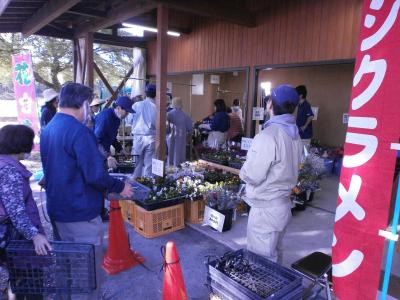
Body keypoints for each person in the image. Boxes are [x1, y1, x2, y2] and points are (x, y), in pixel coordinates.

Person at [40, 83, 133, 300]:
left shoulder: (49, 128)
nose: (89, 111)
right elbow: (95, 175)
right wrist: (121, 187)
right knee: (87, 274)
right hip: (79, 212)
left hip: (57, 209)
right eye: (88, 106)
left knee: (65, 268)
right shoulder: (79, 132)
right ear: (83, 104)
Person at [240, 84, 302, 263]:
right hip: (282, 206)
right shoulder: (294, 134)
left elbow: (253, 175)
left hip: (265, 211)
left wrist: (243, 171)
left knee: (261, 263)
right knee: (275, 255)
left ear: (270, 105)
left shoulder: (268, 135)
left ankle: (264, 292)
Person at [0, 125, 51, 300]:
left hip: (7, 236)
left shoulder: (3, 163)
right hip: (12, 236)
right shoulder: (8, 170)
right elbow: (16, 210)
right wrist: (35, 235)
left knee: (16, 279)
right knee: (27, 279)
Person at [94, 96, 134, 169]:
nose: (127, 114)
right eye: (126, 111)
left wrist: (121, 149)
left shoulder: (117, 119)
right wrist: (108, 156)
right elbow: (95, 140)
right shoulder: (105, 118)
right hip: (95, 155)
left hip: (103, 154)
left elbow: (112, 137)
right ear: (118, 108)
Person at [131, 84, 157, 178]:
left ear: (145, 93)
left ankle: (134, 185)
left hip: (138, 137)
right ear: (156, 94)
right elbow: (160, 124)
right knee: (149, 164)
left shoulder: (136, 105)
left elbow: (129, 120)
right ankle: (148, 186)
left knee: (136, 163)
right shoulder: (156, 107)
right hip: (151, 137)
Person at [167, 97, 193, 166]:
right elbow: (190, 128)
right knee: (180, 154)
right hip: (181, 138)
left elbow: (166, 128)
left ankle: (170, 170)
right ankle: (179, 170)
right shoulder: (185, 115)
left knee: (170, 154)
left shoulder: (168, 114)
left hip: (170, 138)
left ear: (172, 104)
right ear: (181, 104)